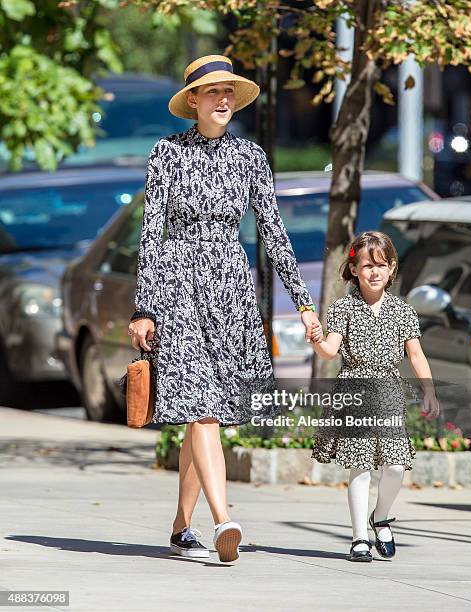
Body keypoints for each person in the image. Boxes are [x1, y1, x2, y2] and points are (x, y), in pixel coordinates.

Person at [127, 54, 321, 563]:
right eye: (212, 91)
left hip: (231, 292)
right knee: (204, 410)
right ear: (192, 101)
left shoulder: (250, 157)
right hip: (179, 289)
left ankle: (179, 527)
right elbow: (152, 234)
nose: (222, 99)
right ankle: (224, 520)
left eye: (228, 91)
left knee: (201, 413)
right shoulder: (167, 153)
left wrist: (303, 302)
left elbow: (274, 233)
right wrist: (144, 307)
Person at [309, 231, 440, 562]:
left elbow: (417, 355)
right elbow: (329, 351)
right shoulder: (344, 308)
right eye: (366, 265)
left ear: (392, 268)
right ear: (354, 269)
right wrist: (316, 339)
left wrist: (428, 389)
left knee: (395, 467)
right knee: (360, 467)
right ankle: (358, 538)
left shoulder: (402, 310)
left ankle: (380, 516)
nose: (374, 272)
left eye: (381, 265)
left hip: (389, 392)